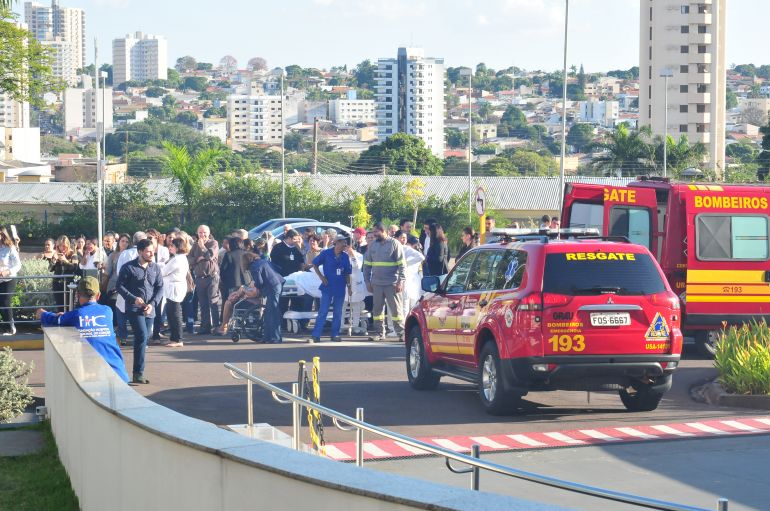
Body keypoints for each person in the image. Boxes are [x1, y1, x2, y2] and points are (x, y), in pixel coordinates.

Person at [36, 277, 129, 382]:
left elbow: (55, 320)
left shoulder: (75, 315)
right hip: (118, 372)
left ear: (77, 295)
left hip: (94, 377)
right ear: (98, 295)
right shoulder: (108, 311)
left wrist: (42, 313)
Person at [117, 238, 163, 384]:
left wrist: (153, 304)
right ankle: (138, 373)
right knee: (142, 335)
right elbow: (120, 286)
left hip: (150, 308)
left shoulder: (155, 268)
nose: (151, 254)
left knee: (144, 338)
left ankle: (137, 371)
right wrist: (133, 298)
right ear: (140, 252)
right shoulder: (128, 267)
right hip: (134, 308)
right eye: (148, 252)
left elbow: (160, 287)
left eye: (153, 251)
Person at [363, 222, 406, 342]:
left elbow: (402, 265)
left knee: (396, 310)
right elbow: (366, 265)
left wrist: (400, 281)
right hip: (376, 284)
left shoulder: (394, 243)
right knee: (377, 311)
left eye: (376, 232)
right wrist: (367, 281)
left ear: (383, 231)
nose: (374, 234)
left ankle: (401, 333)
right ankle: (379, 333)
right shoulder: (372, 246)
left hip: (392, 283)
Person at [308, 235, 352, 343]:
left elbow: (347, 272)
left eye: (345, 243)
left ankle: (335, 334)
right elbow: (314, 263)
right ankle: (316, 335)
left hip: (340, 286)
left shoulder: (345, 256)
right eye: (343, 243)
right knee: (323, 311)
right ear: (336, 243)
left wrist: (349, 286)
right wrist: (321, 277)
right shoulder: (326, 253)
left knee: (338, 312)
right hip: (328, 286)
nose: (344, 245)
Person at [249, 241, 285, 344]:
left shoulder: (254, 267)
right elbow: (277, 268)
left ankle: (275, 338)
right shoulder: (263, 261)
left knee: (272, 312)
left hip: (272, 287)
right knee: (270, 312)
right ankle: (269, 337)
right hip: (277, 283)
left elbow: (259, 282)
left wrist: (256, 286)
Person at [188, 225, 220, 335]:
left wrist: (203, 248)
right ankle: (205, 326)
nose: (202, 235)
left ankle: (216, 326)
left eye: (204, 232)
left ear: (209, 232)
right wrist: (198, 259)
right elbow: (189, 259)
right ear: (197, 233)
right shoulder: (195, 245)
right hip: (199, 278)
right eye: (200, 232)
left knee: (213, 302)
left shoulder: (213, 243)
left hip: (211, 277)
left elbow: (210, 256)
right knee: (203, 304)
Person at [270, 229, 306, 328]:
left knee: (297, 301)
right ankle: (282, 324)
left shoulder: (297, 248)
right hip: (283, 279)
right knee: (283, 302)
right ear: (289, 238)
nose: (296, 241)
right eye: (295, 239)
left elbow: (302, 261)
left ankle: (296, 323)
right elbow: (273, 264)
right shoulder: (278, 248)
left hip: (296, 280)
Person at [161, 236, 189, 347]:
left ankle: (178, 339)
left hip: (175, 288)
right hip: (174, 287)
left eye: (172, 245)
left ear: (177, 247)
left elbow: (164, 271)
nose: (170, 247)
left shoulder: (177, 259)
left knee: (175, 314)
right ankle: (174, 338)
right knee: (171, 313)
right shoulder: (178, 258)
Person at [0, 227, 21, 335]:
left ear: (2, 235)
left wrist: (8, 271)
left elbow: (18, 265)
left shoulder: (10, 247)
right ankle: (5, 325)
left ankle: (11, 328)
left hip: (9, 278)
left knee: (5, 301)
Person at [50, 235, 79, 311]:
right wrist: (54, 261)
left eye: (64, 246)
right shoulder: (56, 254)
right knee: (60, 305)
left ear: (68, 245)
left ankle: (68, 321)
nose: (62, 248)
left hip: (68, 283)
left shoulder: (73, 254)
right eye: (60, 246)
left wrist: (66, 261)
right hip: (57, 282)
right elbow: (50, 269)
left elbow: (75, 267)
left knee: (69, 305)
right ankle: (61, 320)